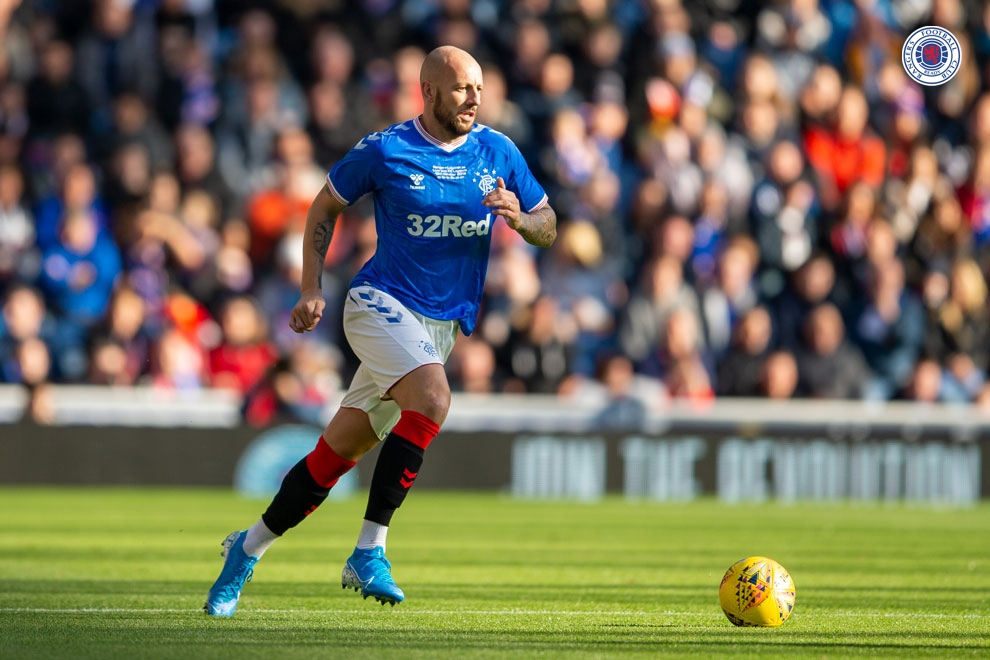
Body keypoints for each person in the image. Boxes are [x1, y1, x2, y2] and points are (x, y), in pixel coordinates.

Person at [204, 46, 556, 616]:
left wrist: (521, 219)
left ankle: (246, 549)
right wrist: (311, 288)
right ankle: (370, 551)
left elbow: (549, 225)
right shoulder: (386, 148)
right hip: (377, 304)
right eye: (462, 88)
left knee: (336, 453)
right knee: (435, 398)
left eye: (480, 89)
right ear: (430, 91)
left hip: (438, 329)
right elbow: (323, 209)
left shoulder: (499, 151)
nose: (474, 99)